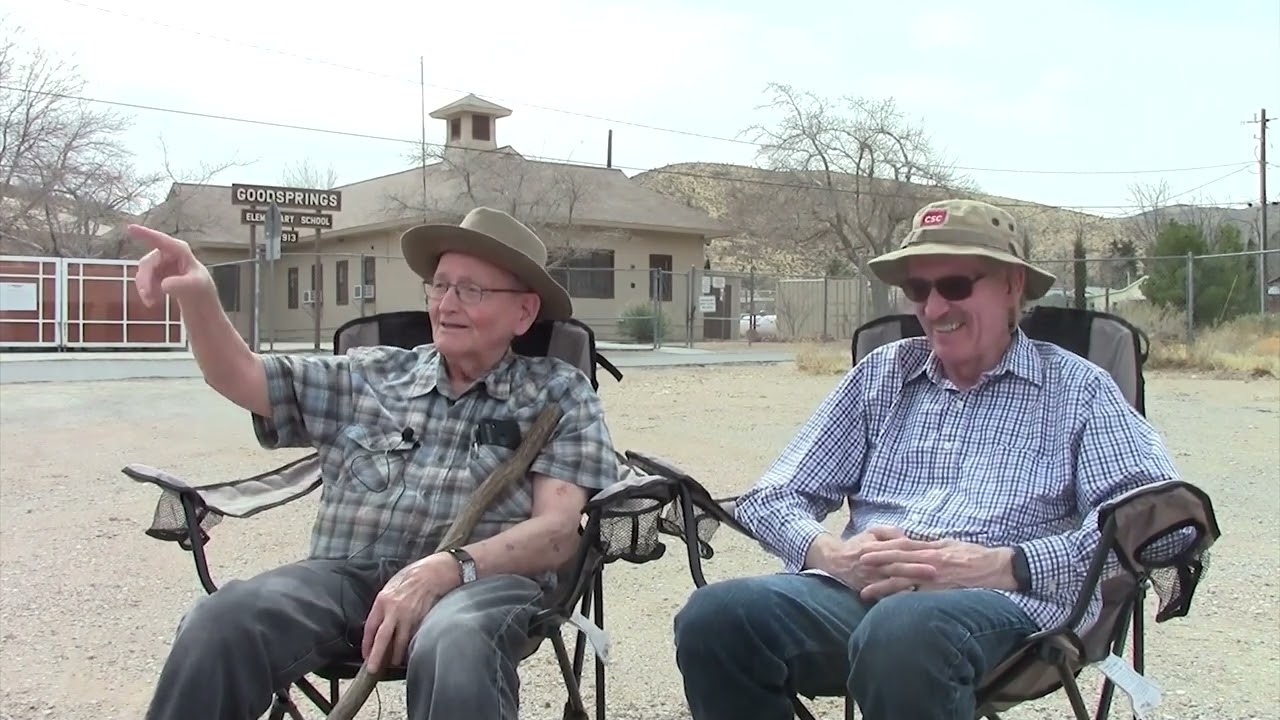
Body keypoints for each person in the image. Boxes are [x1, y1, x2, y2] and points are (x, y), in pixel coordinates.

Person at [671, 199, 1182, 720]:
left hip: (1004, 609)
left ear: (1012, 286)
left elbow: (1157, 525)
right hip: (858, 596)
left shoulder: (1077, 389)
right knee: (716, 618)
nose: (935, 309)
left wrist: (998, 565)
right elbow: (770, 496)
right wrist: (831, 555)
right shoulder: (885, 373)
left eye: (956, 285)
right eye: (920, 289)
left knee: (905, 633)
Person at [131, 206, 619, 720]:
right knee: (222, 622)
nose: (447, 304)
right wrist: (200, 298)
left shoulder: (557, 393)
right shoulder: (372, 375)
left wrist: (446, 569)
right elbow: (242, 375)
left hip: (482, 587)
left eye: (472, 290)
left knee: (453, 640)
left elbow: (558, 533)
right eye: (440, 286)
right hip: (346, 578)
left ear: (523, 313)